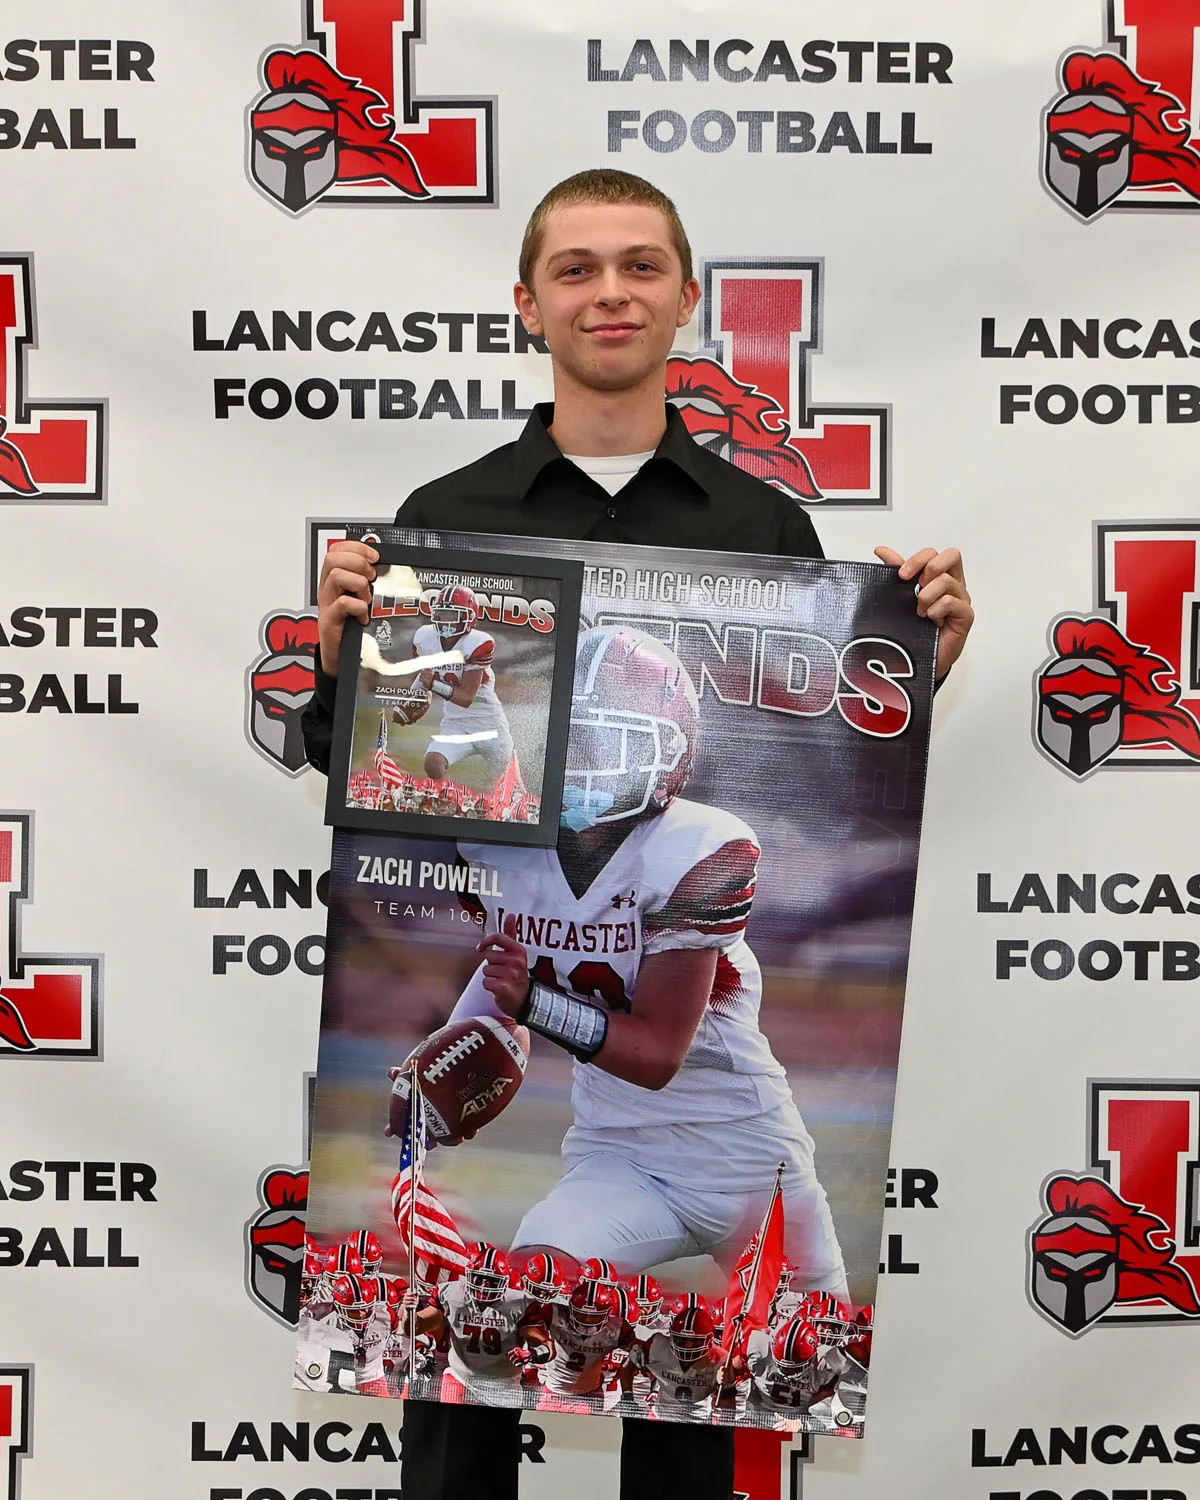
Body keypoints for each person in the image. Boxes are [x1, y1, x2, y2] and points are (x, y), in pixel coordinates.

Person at [301, 167, 974, 1500]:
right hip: (617, 1150)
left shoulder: (760, 532)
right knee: (469, 1347)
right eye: (576, 267)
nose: (609, 291)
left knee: (712, 1412)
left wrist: (919, 660)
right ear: (527, 305)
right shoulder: (449, 516)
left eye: (638, 265)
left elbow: (832, 750)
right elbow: (381, 793)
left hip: (739, 1147)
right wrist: (341, 663)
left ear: (684, 298)